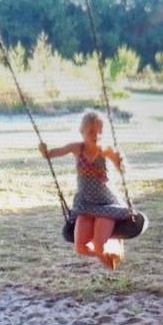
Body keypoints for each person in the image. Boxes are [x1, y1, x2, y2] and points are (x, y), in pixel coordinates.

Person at [40, 111, 132, 269]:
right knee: (80, 247)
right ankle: (110, 254)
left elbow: (122, 170)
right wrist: (44, 151)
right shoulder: (76, 148)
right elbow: (51, 154)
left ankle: (112, 250)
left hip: (106, 204)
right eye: (91, 131)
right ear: (82, 132)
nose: (95, 135)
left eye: (99, 132)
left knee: (98, 245)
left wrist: (120, 160)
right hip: (85, 204)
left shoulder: (105, 150)